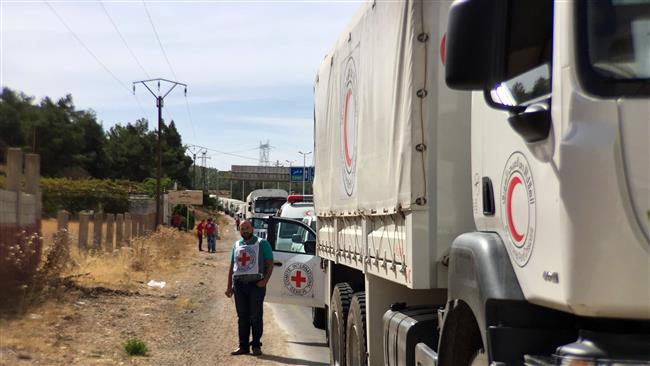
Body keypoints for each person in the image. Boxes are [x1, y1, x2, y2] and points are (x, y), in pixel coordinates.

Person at [225, 220, 273, 356]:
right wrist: (229, 286)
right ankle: (243, 346)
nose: (245, 230)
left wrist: (265, 281)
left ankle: (256, 345)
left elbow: (270, 264)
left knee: (256, 316)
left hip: (256, 285)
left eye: (247, 228)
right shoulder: (236, 245)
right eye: (242, 229)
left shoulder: (262, 243)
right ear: (239, 231)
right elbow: (231, 267)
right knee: (242, 317)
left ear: (252, 229)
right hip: (239, 286)